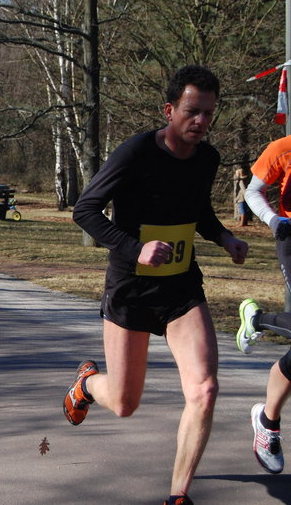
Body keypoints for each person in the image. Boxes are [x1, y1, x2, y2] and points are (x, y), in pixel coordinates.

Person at [65, 65, 248, 505]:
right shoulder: (134, 154)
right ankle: (86, 385)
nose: (201, 122)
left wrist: (224, 237)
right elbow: (85, 211)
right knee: (125, 403)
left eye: (208, 113)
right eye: (192, 112)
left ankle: (178, 496)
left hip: (181, 286)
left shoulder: (208, 158)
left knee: (205, 389)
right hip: (131, 285)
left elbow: (197, 209)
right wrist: (136, 249)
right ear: (170, 110)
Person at [234, 132, 291, 475]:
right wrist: (274, 221)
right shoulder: (282, 148)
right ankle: (255, 320)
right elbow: (253, 191)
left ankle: (267, 422)